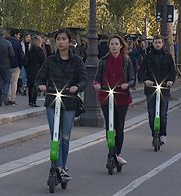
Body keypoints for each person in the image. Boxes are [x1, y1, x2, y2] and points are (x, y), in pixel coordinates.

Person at [36, 29, 88, 180]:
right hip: (52, 101)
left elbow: (84, 79)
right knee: (55, 135)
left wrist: (77, 87)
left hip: (69, 102)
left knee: (65, 136)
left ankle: (63, 167)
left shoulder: (77, 61)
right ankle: (57, 166)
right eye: (58, 39)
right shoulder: (50, 60)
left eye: (63, 39)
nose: (60, 42)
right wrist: (40, 86)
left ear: (69, 41)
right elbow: (39, 78)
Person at [93, 34, 135, 166]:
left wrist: (127, 84)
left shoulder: (126, 61)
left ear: (121, 45)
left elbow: (133, 78)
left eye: (116, 44)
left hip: (122, 97)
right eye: (112, 44)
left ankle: (118, 153)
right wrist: (97, 84)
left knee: (119, 126)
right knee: (109, 126)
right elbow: (97, 78)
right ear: (109, 46)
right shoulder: (103, 61)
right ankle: (111, 152)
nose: (114, 46)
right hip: (106, 96)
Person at [139, 34, 176, 146]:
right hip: (151, 89)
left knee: (163, 113)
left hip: (164, 88)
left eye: (159, 42)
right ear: (153, 44)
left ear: (162, 44)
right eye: (156, 42)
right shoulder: (147, 57)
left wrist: (170, 81)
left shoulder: (168, 57)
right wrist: (146, 80)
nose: (158, 44)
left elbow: (172, 71)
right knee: (151, 113)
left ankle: (162, 133)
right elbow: (141, 71)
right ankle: (154, 133)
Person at [24, 35, 46, 107]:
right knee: (36, 86)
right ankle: (33, 101)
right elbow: (43, 61)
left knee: (30, 86)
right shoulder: (40, 51)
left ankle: (30, 101)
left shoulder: (30, 51)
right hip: (37, 70)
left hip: (30, 70)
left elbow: (26, 61)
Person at [6, 29, 24, 106]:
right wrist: (21, 65)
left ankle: (8, 97)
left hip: (7, 65)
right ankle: (12, 99)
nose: (19, 36)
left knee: (7, 82)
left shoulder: (6, 42)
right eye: (19, 35)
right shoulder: (17, 43)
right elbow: (20, 55)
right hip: (15, 65)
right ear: (16, 35)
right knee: (14, 83)